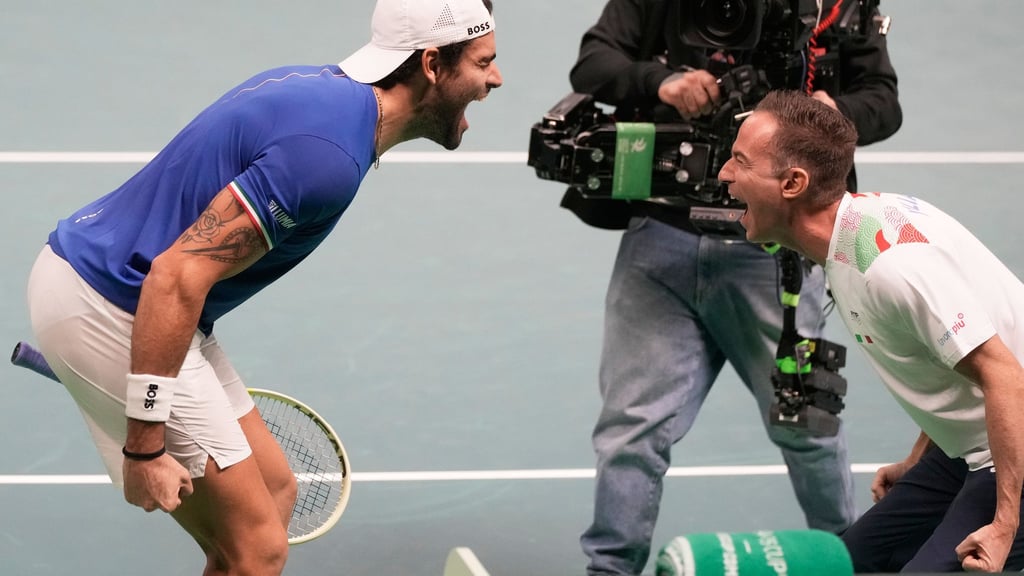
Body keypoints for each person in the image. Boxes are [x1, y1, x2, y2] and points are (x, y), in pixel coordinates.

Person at [24, 0, 501, 573]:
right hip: (110, 301)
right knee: (257, 550)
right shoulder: (323, 158)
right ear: (430, 64)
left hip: (110, 284)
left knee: (275, 496)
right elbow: (174, 277)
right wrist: (144, 442)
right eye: (483, 62)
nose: (495, 78)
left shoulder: (329, 98)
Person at [566, 1, 902, 574]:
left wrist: (830, 113)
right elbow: (593, 62)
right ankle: (609, 569)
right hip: (662, 237)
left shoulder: (836, 7)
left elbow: (883, 102)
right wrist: (664, 81)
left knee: (805, 428)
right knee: (631, 429)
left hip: (776, 253)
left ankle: (855, 562)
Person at [719, 88, 1024, 573]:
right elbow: (944, 361)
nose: (725, 174)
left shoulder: (888, 270)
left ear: (792, 183)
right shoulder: (856, 229)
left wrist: (1006, 524)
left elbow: (1006, 376)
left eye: (740, 161)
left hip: (1012, 449)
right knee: (848, 563)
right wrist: (919, 457)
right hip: (971, 446)